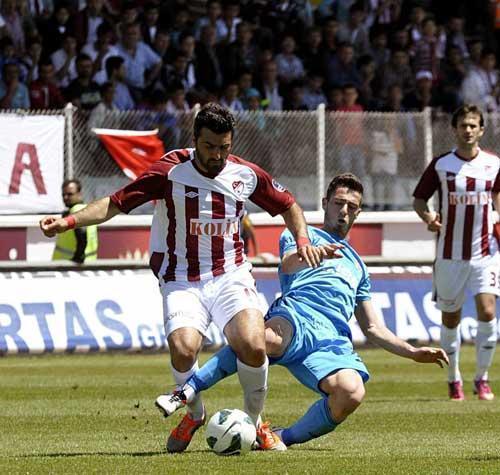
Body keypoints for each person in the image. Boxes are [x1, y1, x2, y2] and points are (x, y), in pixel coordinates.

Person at [39, 103, 319, 452]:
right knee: (184, 350)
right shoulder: (169, 171)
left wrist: (303, 239)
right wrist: (67, 222)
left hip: (230, 272)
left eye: (224, 147)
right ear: (194, 139)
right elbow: (115, 203)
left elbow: (289, 205)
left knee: (253, 343)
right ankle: (195, 414)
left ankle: (255, 421)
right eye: (209, 146)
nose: (217, 155)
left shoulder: (245, 174)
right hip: (182, 277)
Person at [157, 172, 448, 449]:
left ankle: (278, 436)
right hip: (296, 317)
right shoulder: (302, 236)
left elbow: (373, 327)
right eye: (339, 203)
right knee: (262, 339)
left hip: (331, 340)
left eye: (351, 207)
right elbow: (286, 264)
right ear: (325, 203)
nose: (344, 211)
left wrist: (412, 352)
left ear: (358, 213)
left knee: (351, 392)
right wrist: (310, 253)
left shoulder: (359, 266)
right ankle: (187, 391)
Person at [413, 104, 500, 401]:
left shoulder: (493, 164)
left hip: (486, 252)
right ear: (454, 129)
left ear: (481, 130)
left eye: (473, 125)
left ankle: (482, 379)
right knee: (451, 318)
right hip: (449, 255)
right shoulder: (441, 164)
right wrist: (428, 218)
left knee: (488, 312)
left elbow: (498, 197)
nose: (468, 130)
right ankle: (454, 379)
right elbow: (419, 200)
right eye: (463, 125)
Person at [52, 179, 98, 264]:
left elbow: (82, 233)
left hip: (72, 265)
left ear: (79, 194)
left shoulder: (76, 210)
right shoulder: (87, 209)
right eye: (63, 195)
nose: (65, 197)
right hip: (88, 262)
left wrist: (78, 258)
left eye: (70, 194)